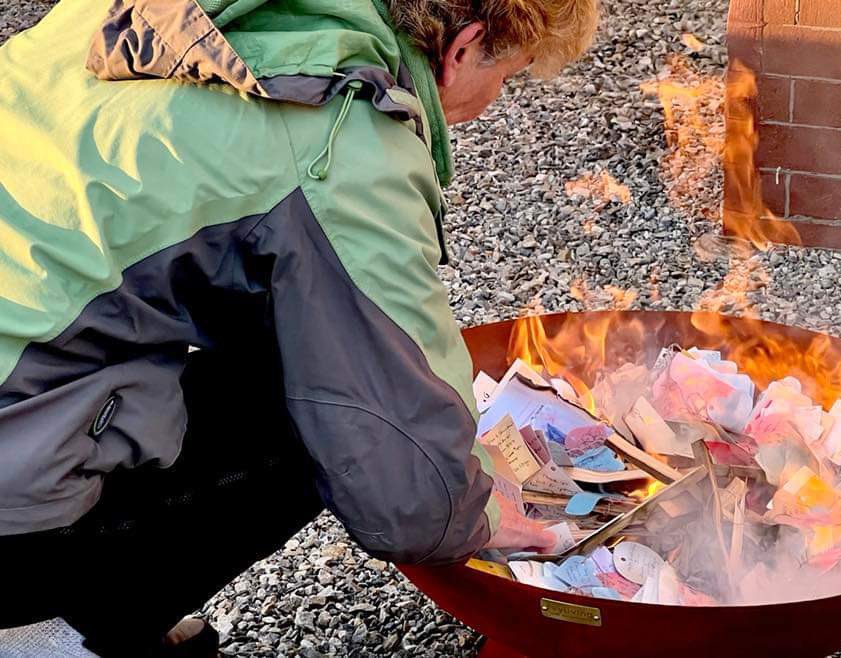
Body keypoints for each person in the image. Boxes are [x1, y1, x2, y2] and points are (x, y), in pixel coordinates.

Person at [0, 0, 598, 655]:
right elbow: (408, 492)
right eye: (509, 74)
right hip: (11, 505)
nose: (497, 95)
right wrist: (484, 509)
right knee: (328, 404)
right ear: (464, 48)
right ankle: (56, 622)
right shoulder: (340, 135)